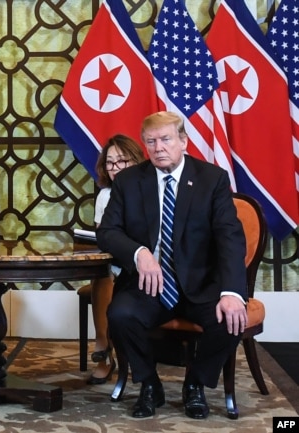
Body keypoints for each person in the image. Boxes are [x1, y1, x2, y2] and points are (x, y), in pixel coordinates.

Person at [96, 111, 247, 419]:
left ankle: (195, 384)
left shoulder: (211, 179)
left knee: (230, 322)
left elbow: (230, 238)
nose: (158, 148)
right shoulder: (129, 180)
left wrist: (232, 291)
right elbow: (108, 232)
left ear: (183, 141)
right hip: (149, 284)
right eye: (150, 141)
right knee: (120, 315)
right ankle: (149, 383)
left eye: (165, 139)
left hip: (201, 283)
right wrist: (140, 253)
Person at [86, 134, 145, 385]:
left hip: (143, 262)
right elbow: (104, 237)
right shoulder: (104, 196)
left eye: (122, 161)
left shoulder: (150, 190)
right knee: (102, 274)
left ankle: (107, 349)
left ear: (136, 161)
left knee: (107, 276)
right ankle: (104, 350)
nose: (115, 168)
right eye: (110, 163)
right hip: (115, 262)